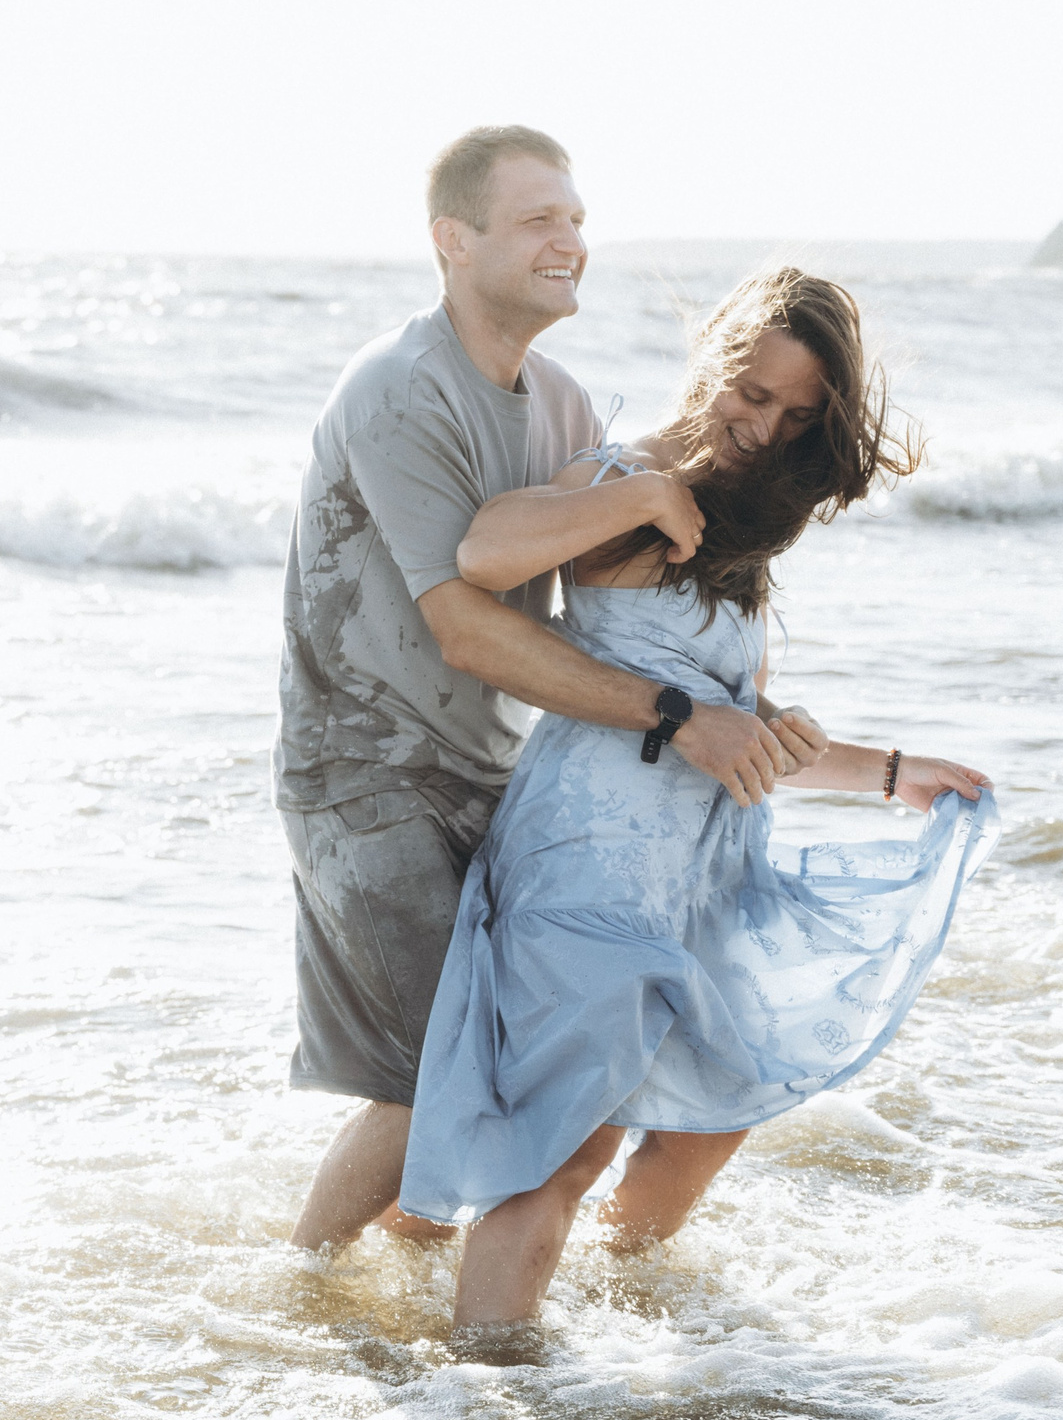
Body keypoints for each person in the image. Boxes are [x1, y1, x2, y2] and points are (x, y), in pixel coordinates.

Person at [395, 266, 998, 1336]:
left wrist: (885, 769)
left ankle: (613, 1320)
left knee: (713, 1113)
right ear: (716, 352)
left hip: (703, 877)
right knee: (563, 1143)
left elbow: (735, 730)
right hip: (587, 859)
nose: (763, 428)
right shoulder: (621, 476)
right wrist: (634, 494)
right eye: (751, 393)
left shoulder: (742, 524)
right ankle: (486, 1396)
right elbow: (481, 554)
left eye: (797, 414)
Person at [277, 127, 830, 1253]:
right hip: (362, 768)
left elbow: (613, 602)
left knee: (493, 1064)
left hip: (497, 769)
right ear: (452, 239)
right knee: (428, 1062)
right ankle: (303, 1284)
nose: (568, 240)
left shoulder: (565, 407)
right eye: (538, 219)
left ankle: (412, 1287)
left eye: (576, 218)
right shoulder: (398, 386)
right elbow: (464, 621)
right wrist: (677, 718)